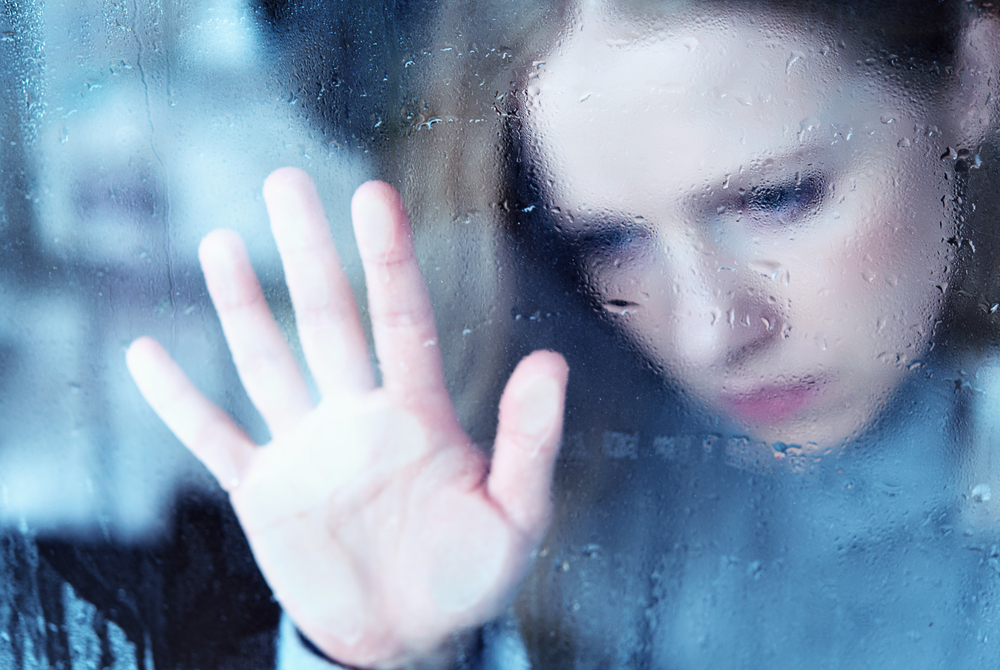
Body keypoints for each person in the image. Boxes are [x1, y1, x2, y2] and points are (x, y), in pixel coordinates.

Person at [127, 0, 1000, 667]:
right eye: (609, 240)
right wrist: (367, 653)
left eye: (776, 198)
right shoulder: (547, 495)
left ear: (973, 75)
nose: (709, 334)